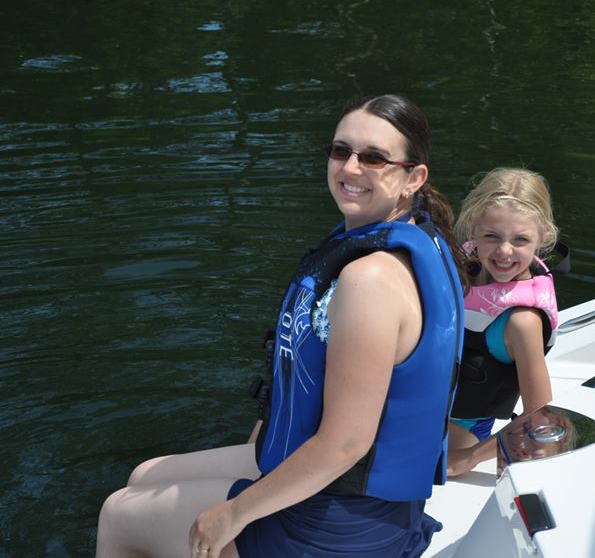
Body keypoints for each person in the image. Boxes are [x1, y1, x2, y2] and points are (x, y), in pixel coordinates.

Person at [96, 94, 466, 558]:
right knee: (145, 475)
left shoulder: (370, 279)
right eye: (340, 151)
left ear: (413, 177)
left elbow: (346, 444)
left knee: (117, 513)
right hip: (357, 501)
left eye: (373, 158)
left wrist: (233, 513)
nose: (350, 168)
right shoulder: (404, 241)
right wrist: (270, 430)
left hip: (341, 526)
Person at [446, 167, 559, 476]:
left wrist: (468, 458)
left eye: (521, 240)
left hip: (461, 426)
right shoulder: (458, 269)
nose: (505, 251)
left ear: (543, 237)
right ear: (473, 230)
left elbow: (541, 418)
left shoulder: (521, 322)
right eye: (492, 236)